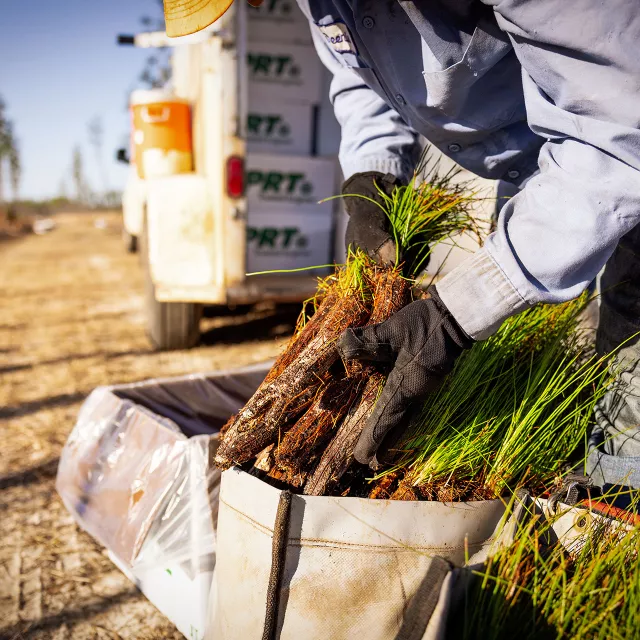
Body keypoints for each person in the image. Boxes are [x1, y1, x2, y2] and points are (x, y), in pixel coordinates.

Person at [163, 0, 640, 491]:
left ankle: (620, 518)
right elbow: (358, 75)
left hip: (619, 151)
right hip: (539, 173)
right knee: (523, 361)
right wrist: (373, 174)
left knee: (627, 394)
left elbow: (622, 132)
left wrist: (454, 314)